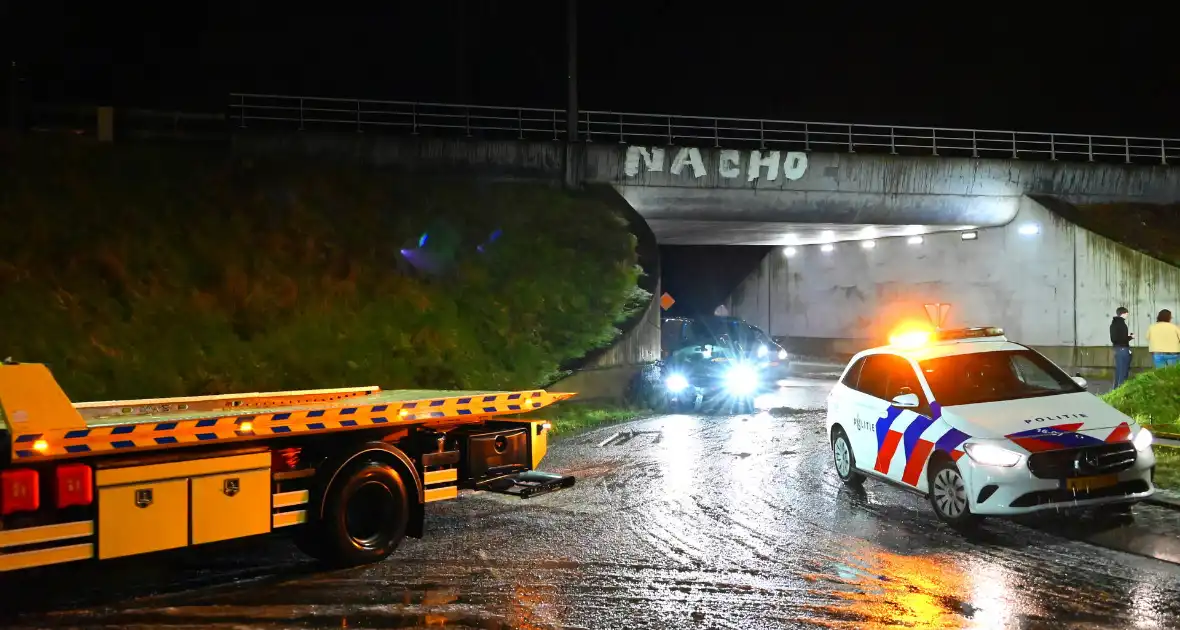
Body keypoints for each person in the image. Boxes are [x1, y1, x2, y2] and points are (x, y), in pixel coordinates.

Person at [1110, 306, 1134, 387]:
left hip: (1117, 349)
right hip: (1123, 349)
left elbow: (1115, 338)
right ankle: (1121, 389)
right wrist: (1130, 337)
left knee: (1119, 371)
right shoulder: (1122, 325)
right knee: (1123, 371)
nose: (1127, 315)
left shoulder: (1113, 324)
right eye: (1127, 314)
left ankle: (1115, 390)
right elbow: (1123, 339)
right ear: (1123, 314)